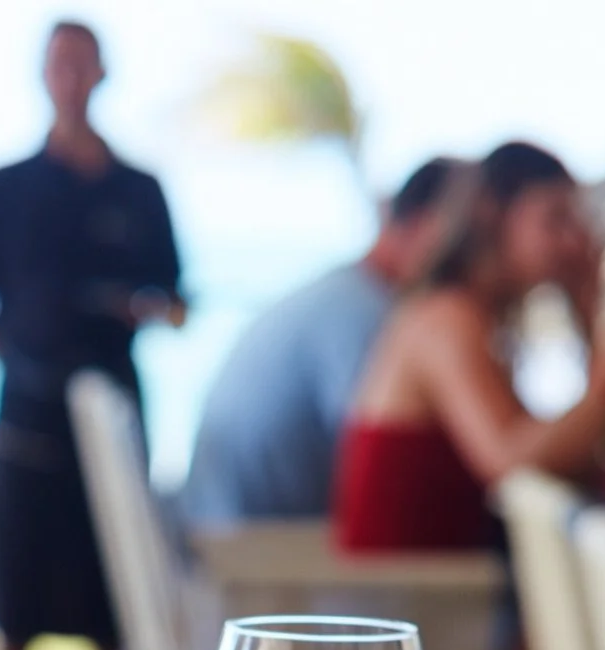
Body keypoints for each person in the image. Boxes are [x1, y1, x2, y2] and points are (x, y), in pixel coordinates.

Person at [0, 19, 185, 650]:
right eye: (60, 64)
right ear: (43, 74)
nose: (72, 78)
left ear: (102, 73)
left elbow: (176, 302)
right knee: (13, 597)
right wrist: (18, 356)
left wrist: (134, 307)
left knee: (115, 588)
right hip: (28, 411)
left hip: (114, 405)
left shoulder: (139, 190)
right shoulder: (2, 188)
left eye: (83, 64)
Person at [334, 140, 605, 550]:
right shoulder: (447, 318)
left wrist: (588, 310)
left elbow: (578, 461)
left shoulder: (477, 319)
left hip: (448, 584)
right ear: (492, 213)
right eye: (555, 219)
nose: (573, 242)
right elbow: (513, 465)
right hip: (419, 595)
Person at [177, 158, 461, 529]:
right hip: (251, 549)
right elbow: (377, 469)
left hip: (224, 528)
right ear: (425, 227)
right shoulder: (364, 314)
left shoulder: (347, 295)